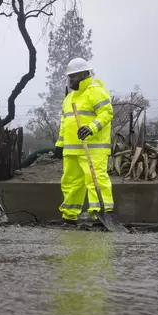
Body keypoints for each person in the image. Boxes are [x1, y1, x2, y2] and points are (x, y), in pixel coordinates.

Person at [54, 57, 115, 225]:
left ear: (84, 74)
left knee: (96, 180)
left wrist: (91, 128)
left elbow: (107, 113)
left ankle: (101, 215)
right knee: (70, 183)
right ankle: (69, 215)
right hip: (72, 150)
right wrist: (59, 144)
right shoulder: (69, 98)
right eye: (70, 76)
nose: (71, 79)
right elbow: (65, 123)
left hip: (93, 148)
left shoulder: (96, 91)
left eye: (73, 76)